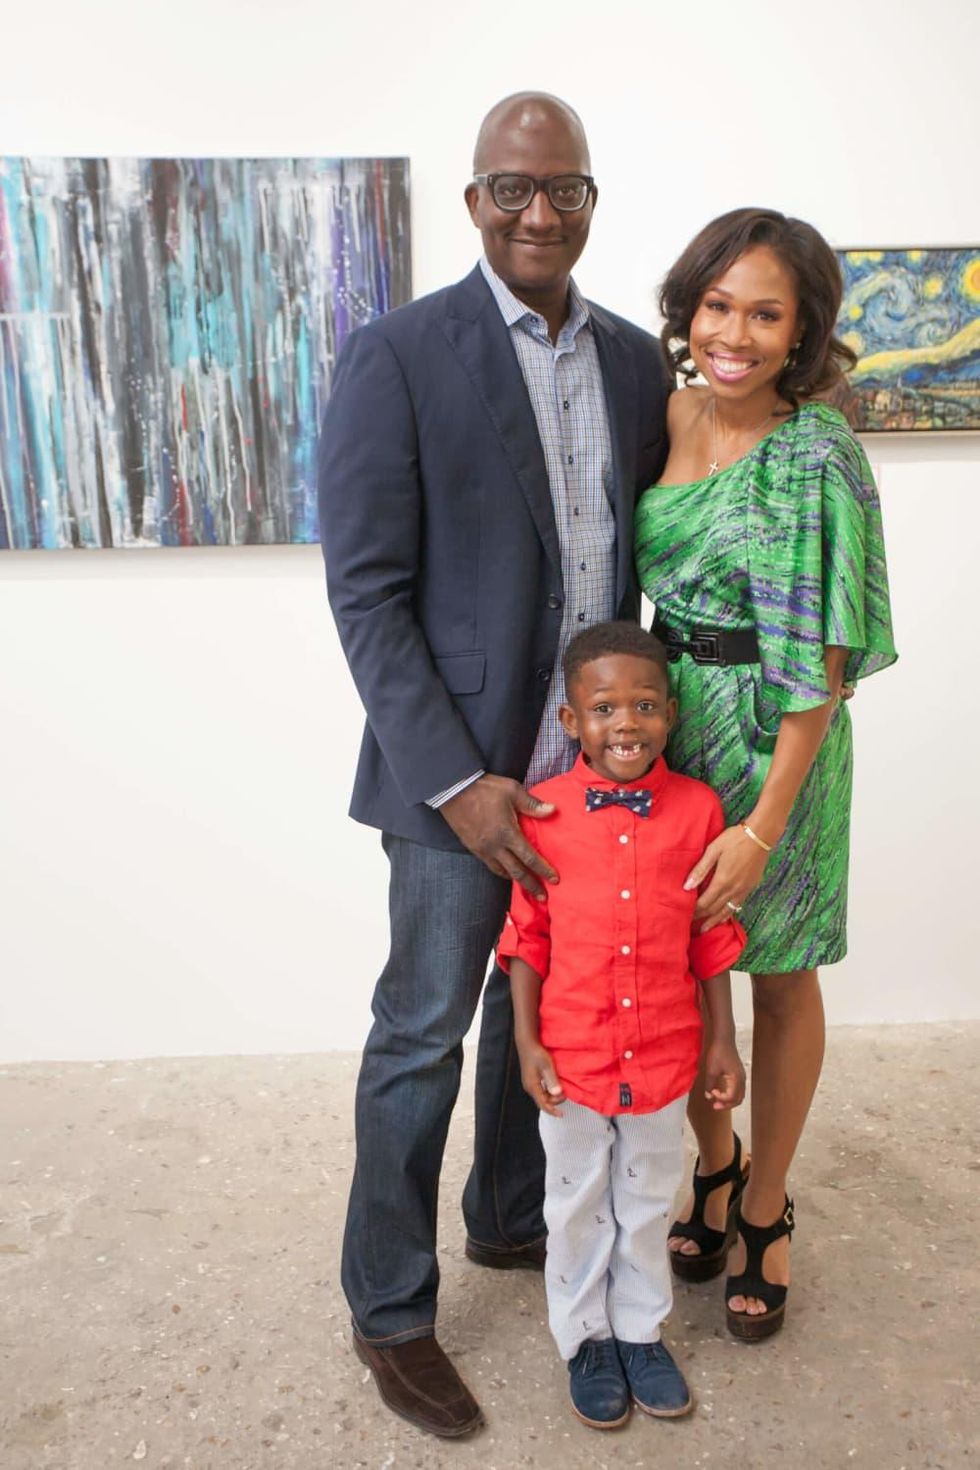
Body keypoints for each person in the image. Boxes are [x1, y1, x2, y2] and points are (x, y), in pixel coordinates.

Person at [317, 92, 672, 1437]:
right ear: (473, 201)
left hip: (594, 785)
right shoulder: (399, 354)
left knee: (561, 1022)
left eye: (564, 188)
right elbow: (366, 589)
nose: (540, 212)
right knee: (423, 1032)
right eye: (514, 188)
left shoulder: (636, 362)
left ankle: (512, 1223)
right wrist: (457, 779)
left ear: (589, 201)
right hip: (454, 779)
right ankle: (389, 1305)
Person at [633, 207, 897, 1341]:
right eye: (717, 304)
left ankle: (766, 1203)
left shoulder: (816, 448)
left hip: (779, 738)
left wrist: (760, 827)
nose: (733, 333)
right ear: (688, 308)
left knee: (775, 974)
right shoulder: (664, 413)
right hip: (669, 726)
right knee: (683, 962)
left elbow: (822, 661)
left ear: (801, 333)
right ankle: (710, 1162)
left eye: (764, 312)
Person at [497, 621, 746, 1428]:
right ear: (572, 721)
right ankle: (586, 1337)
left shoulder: (700, 809)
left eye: (645, 704)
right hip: (572, 1057)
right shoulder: (542, 813)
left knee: (646, 1196)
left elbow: (710, 939)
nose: (626, 723)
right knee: (575, 1199)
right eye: (605, 707)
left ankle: (641, 1330)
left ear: (671, 712)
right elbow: (526, 938)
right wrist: (528, 1041)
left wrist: (722, 1038)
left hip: (666, 1053)